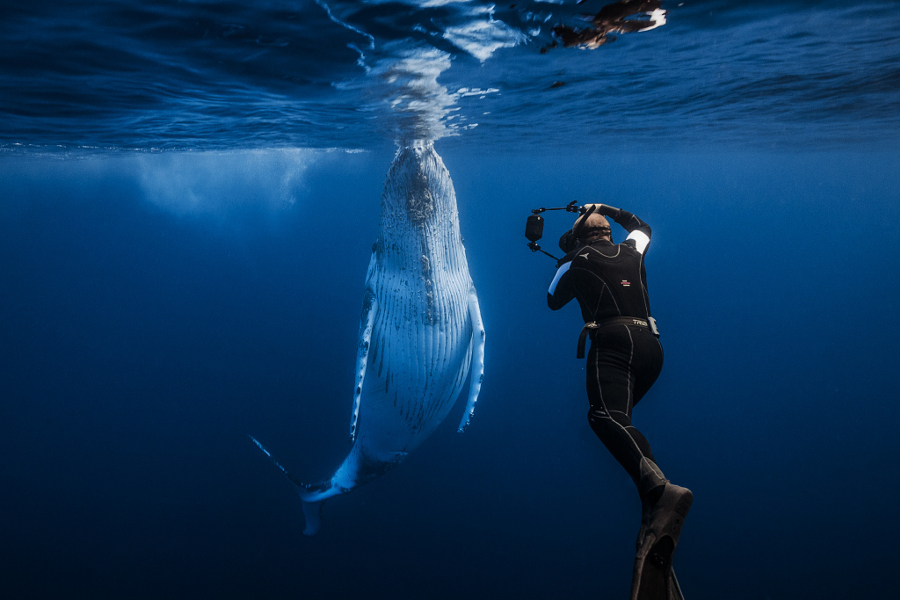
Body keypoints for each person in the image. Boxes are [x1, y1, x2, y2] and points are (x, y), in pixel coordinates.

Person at [546, 203, 691, 599]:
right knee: (621, 421)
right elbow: (641, 225)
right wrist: (604, 207)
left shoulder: (574, 258)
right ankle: (654, 498)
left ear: (579, 238)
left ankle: (659, 492)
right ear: (607, 231)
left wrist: (568, 255)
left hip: (613, 342)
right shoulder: (632, 248)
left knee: (603, 416)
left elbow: (552, 298)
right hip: (651, 347)